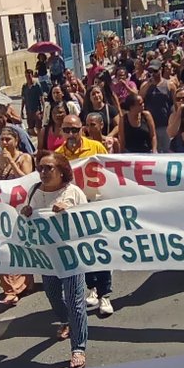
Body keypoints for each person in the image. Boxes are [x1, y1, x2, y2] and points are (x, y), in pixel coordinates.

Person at [21, 151, 90, 368]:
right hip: (47, 256)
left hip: (71, 256)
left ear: (61, 171)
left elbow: (89, 220)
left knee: (75, 299)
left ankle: (78, 348)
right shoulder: (33, 191)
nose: (43, 172)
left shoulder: (73, 192)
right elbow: (26, 221)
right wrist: (25, 212)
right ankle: (66, 320)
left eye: (48, 168)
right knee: (52, 293)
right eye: (40, 168)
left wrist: (70, 211)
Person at [58, 115, 114, 316]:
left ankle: (105, 293)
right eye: (67, 130)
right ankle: (93, 288)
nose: (71, 134)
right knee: (84, 251)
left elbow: (111, 175)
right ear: (61, 131)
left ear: (82, 129)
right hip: (74, 212)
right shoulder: (58, 156)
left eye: (75, 129)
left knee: (100, 249)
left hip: (96, 206)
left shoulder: (96, 147)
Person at [0, 126, 35, 307]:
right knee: (4, 247)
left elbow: (27, 180)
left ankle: (25, 281)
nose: (5, 143)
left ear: (16, 141)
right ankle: (10, 288)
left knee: (22, 246)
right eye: (2, 140)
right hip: (2, 208)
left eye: (8, 139)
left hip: (20, 207)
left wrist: (12, 163)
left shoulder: (25, 157)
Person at [21, 68, 46, 138]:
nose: (28, 77)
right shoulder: (24, 87)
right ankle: (40, 138)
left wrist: (44, 109)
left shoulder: (37, 86)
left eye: (29, 75)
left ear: (32, 75)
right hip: (28, 111)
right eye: (26, 76)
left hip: (37, 111)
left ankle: (41, 140)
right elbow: (23, 99)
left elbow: (42, 98)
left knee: (39, 128)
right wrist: (21, 111)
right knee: (31, 130)